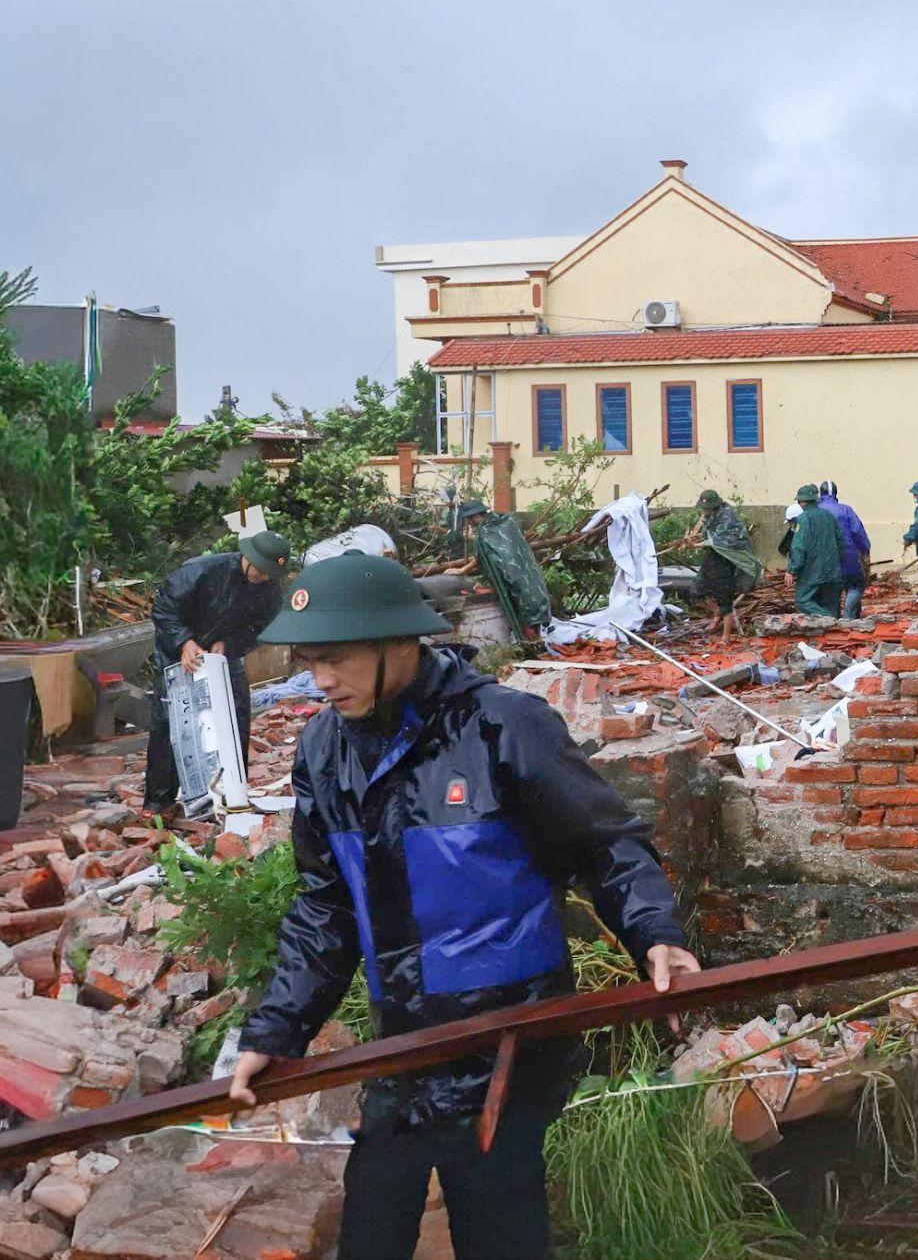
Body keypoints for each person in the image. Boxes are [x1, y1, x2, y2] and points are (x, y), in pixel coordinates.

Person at [226, 552, 699, 1260]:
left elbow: (605, 842)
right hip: (405, 1043)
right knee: (372, 1226)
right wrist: (276, 1028)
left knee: (499, 1230)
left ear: (400, 642)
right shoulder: (325, 748)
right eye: (308, 659)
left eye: (337, 658)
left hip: (510, 1038)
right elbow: (325, 905)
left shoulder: (500, 727)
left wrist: (655, 932)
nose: (320, 679)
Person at [143, 530, 293, 814]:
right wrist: (183, 642)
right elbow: (164, 609)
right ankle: (158, 802)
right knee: (171, 723)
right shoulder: (203, 571)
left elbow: (260, 628)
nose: (261, 576)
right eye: (259, 569)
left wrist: (230, 643)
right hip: (177, 651)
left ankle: (229, 793)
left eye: (268, 572)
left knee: (235, 716)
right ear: (247, 557)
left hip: (223, 655)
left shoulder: (270, 590)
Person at [445, 498, 554, 642]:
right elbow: (497, 547)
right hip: (532, 578)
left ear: (474, 516)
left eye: (469, 519)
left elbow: (485, 555)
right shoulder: (506, 522)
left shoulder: (485, 531)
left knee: (526, 621)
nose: (469, 523)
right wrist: (475, 539)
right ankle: (536, 647)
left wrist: (462, 570)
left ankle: (533, 649)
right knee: (533, 619)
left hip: (517, 582)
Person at [684, 489, 761, 637]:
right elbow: (708, 536)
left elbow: (722, 542)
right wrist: (693, 539)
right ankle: (716, 612)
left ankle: (726, 637)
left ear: (715, 505)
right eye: (703, 508)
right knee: (696, 591)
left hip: (726, 559)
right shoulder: (709, 516)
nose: (704, 511)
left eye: (707, 508)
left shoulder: (726, 517)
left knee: (725, 600)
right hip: (712, 557)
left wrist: (698, 545)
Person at [816, 481, 873, 620]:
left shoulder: (814, 512)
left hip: (823, 562)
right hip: (848, 557)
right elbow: (858, 532)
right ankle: (849, 615)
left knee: (831, 592)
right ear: (836, 493)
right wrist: (865, 549)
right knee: (855, 585)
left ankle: (832, 621)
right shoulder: (846, 510)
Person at [785, 483, 842, 617]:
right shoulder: (829, 516)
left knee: (803, 601)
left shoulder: (803, 519)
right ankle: (834, 630)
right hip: (833, 571)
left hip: (812, 572)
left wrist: (792, 570)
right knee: (831, 604)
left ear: (801, 501)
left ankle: (829, 620)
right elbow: (840, 542)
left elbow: (799, 547)